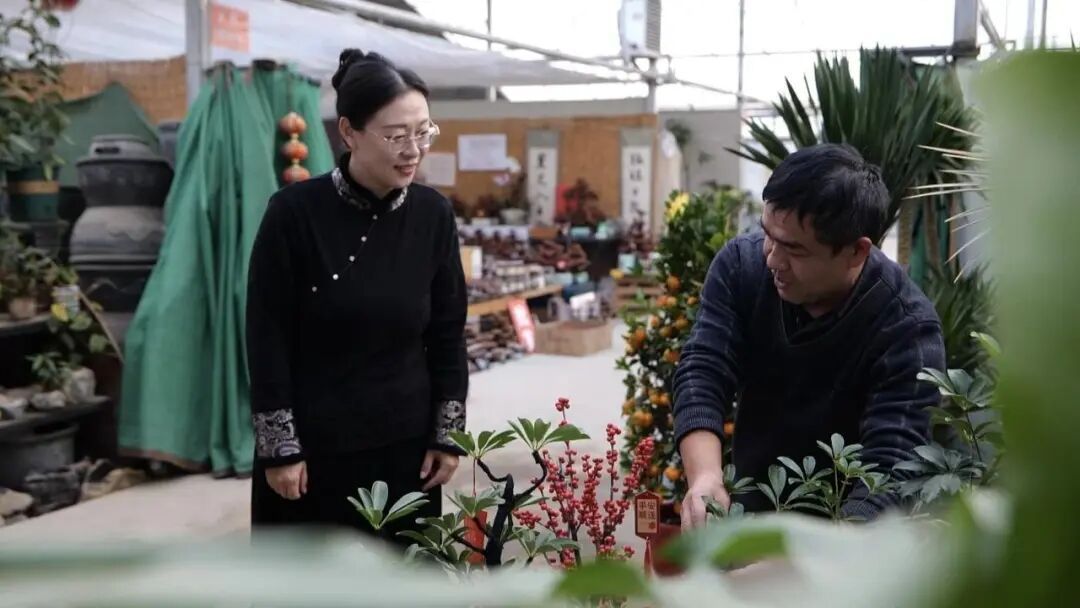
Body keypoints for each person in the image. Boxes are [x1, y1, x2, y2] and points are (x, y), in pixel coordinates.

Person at [246, 49, 468, 546]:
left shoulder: (433, 215)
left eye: (423, 132)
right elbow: (266, 337)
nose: (413, 150)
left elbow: (448, 333)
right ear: (348, 132)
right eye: (396, 136)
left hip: (407, 452)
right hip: (313, 454)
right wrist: (280, 449)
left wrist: (447, 435)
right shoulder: (292, 213)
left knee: (403, 577)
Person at [673, 143, 945, 528]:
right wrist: (705, 478)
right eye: (768, 235)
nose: (772, 258)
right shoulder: (741, 267)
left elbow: (890, 472)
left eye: (794, 250)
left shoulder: (907, 330)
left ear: (856, 252)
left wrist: (815, 555)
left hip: (843, 539)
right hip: (747, 513)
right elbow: (704, 369)